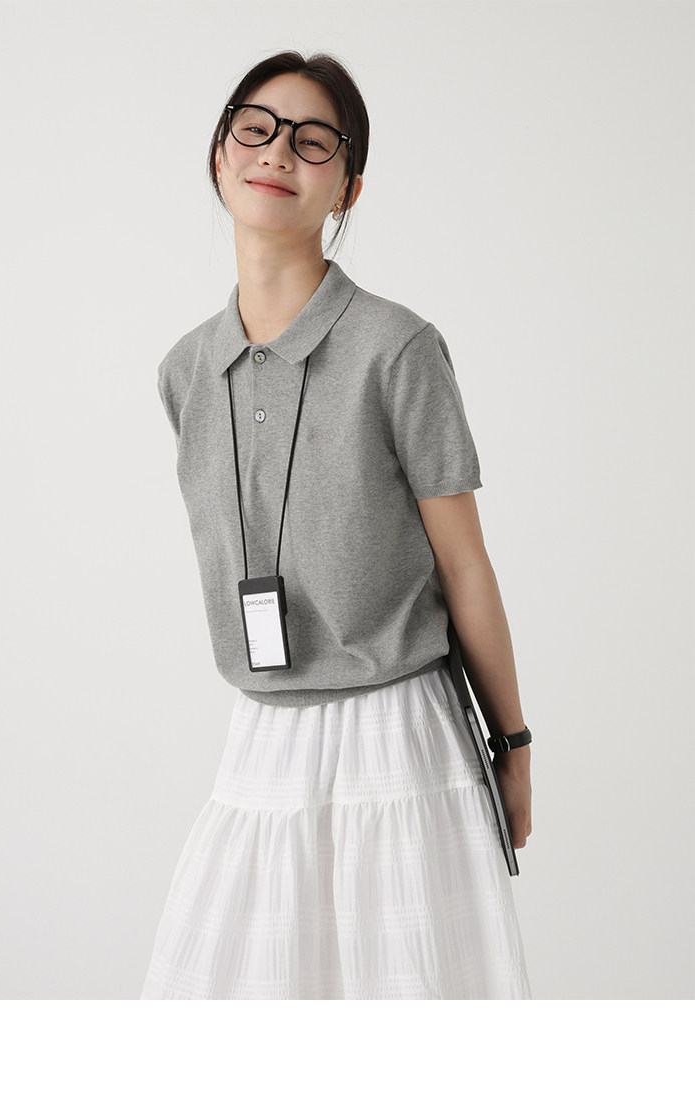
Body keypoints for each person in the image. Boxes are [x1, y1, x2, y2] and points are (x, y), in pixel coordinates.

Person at [140, 50, 533, 999]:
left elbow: (466, 566)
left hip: (399, 737)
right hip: (261, 737)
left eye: (314, 141)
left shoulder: (398, 348)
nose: (278, 152)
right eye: (256, 128)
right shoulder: (186, 371)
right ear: (219, 155)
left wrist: (513, 746)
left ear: (348, 187)